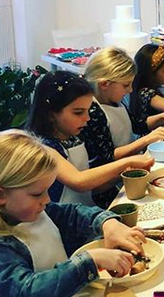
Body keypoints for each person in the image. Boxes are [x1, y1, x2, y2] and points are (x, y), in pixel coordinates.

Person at [0, 130, 143, 297]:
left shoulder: (35, 210)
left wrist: (107, 223)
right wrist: (90, 261)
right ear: (2, 196)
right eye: (37, 194)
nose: (47, 200)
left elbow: (72, 214)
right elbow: (28, 294)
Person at [26, 71, 153, 207]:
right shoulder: (43, 148)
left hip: (85, 211)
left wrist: (123, 174)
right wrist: (126, 162)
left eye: (87, 111)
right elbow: (79, 181)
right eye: (78, 112)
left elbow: (90, 189)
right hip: (64, 218)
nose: (87, 118)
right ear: (51, 114)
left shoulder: (75, 139)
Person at [84, 46, 164, 153]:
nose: (130, 90)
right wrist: (146, 140)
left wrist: (163, 117)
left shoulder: (115, 101)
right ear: (104, 84)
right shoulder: (93, 112)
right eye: (126, 85)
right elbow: (108, 156)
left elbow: (136, 124)